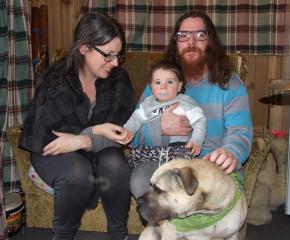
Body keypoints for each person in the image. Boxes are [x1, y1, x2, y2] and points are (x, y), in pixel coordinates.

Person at [19, 13, 135, 240]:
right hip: (51, 150)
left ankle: (119, 235)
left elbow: (122, 132)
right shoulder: (57, 79)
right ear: (84, 48)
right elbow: (47, 137)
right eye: (108, 55)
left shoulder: (119, 79)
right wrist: (97, 131)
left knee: (115, 164)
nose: (115, 63)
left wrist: (85, 138)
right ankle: (62, 236)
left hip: (98, 149)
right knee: (77, 172)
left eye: (118, 55)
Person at [130, 11, 253, 199]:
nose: (191, 42)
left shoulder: (231, 85)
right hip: (166, 162)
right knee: (140, 180)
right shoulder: (158, 85)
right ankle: (169, 229)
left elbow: (241, 133)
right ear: (176, 43)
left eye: (200, 35)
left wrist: (231, 152)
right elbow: (132, 137)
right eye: (183, 36)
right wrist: (160, 128)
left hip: (211, 163)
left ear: (210, 41)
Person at [121, 60, 206, 168]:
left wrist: (197, 139)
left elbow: (200, 120)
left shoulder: (185, 102)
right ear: (151, 87)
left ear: (179, 86)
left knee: (187, 159)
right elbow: (136, 118)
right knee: (132, 157)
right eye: (157, 82)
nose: (163, 86)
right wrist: (128, 130)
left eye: (170, 82)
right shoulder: (148, 103)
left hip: (178, 148)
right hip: (152, 148)